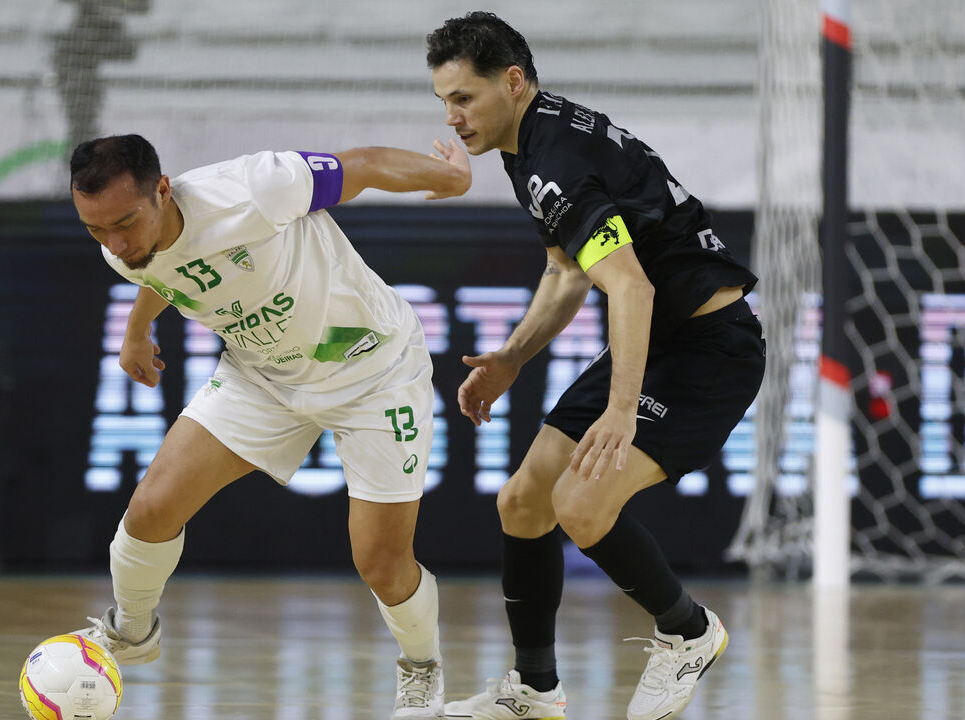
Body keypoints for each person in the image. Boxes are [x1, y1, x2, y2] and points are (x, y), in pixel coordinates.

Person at [426, 12, 765, 720]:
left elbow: (631, 287)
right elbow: (568, 270)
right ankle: (535, 690)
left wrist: (620, 407)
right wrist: (512, 357)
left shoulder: (554, 156)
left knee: (580, 504)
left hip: (708, 352)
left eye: (463, 98)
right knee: (523, 502)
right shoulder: (531, 139)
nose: (452, 117)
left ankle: (689, 633)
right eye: (444, 101)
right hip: (661, 339)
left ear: (512, 81)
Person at [66, 134, 471, 719]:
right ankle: (132, 633)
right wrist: (137, 330)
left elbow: (364, 164)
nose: (115, 243)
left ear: (163, 190)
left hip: (373, 371)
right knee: (150, 510)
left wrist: (451, 178)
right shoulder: (122, 246)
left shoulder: (254, 187)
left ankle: (422, 665)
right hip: (262, 377)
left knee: (381, 563)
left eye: (124, 222)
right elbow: (163, 271)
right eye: (96, 230)